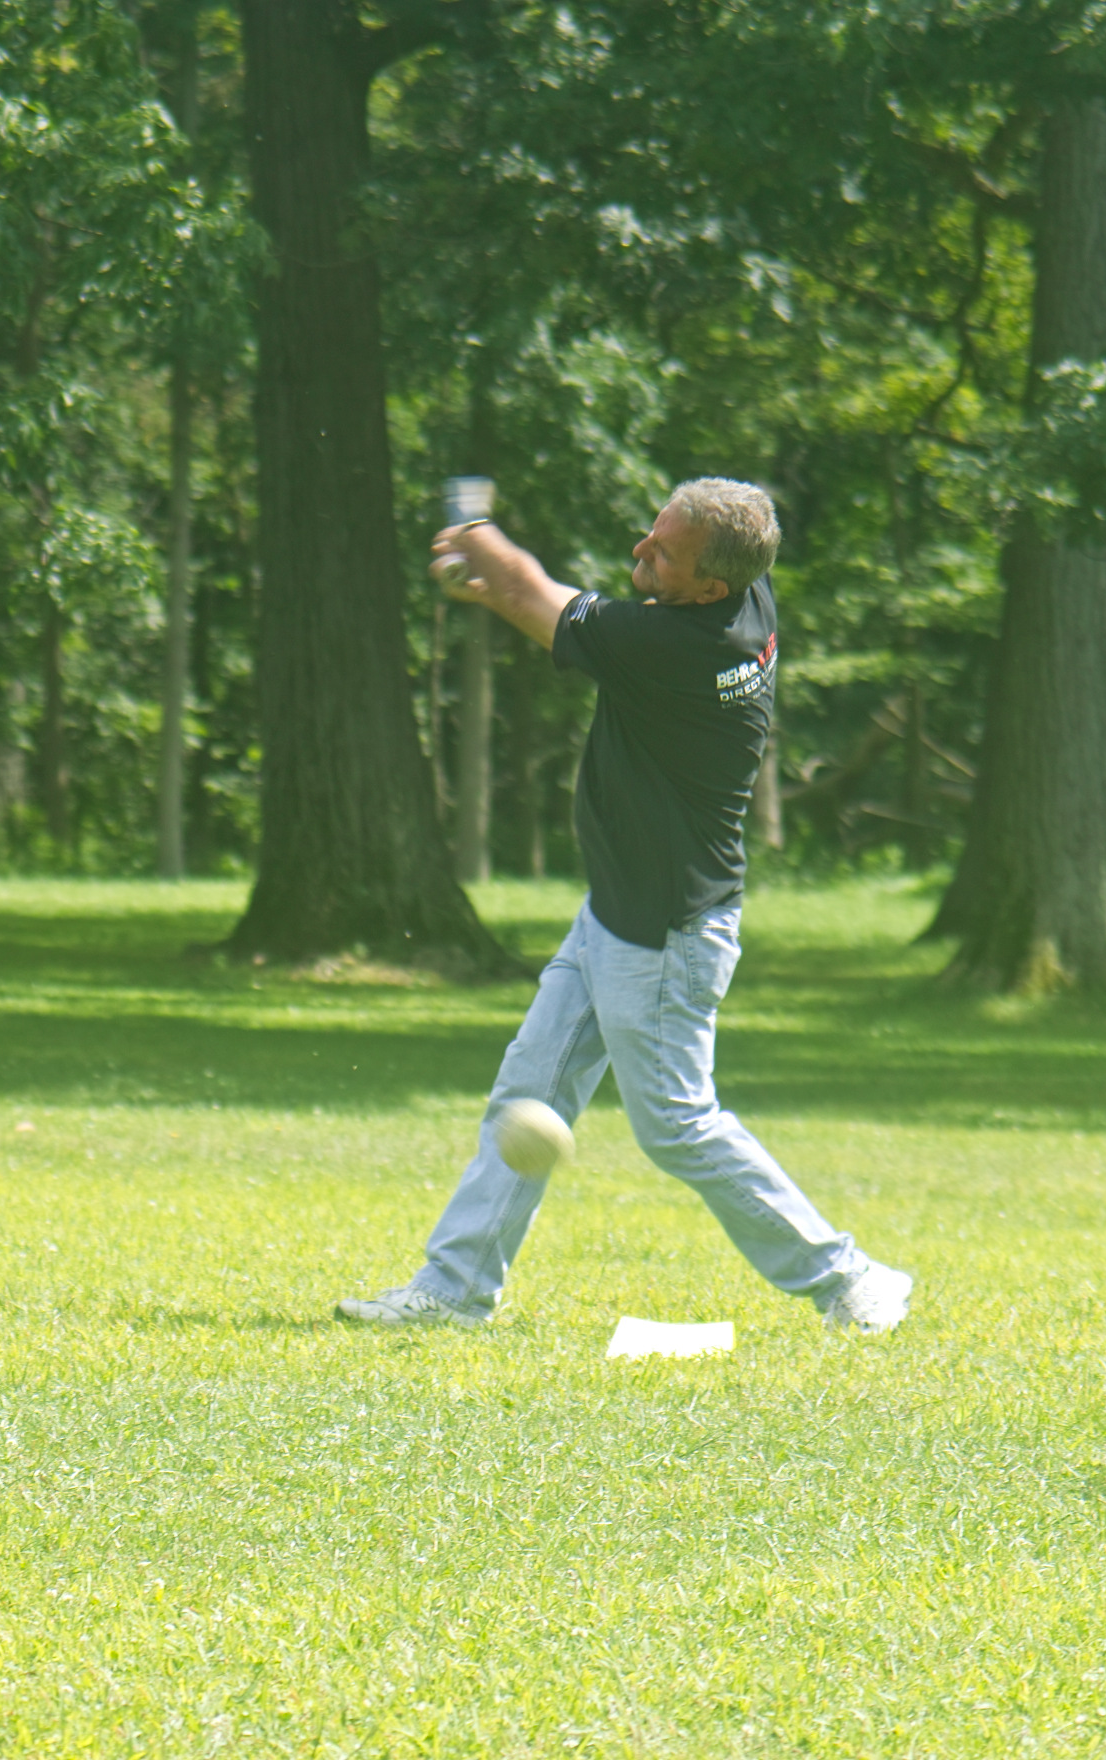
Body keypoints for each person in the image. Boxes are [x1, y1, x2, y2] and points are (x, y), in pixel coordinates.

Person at [337, 478, 913, 1335]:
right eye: (652, 532)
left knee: (678, 1126)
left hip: (667, 934)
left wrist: (471, 524)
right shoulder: (742, 592)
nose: (641, 552)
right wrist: (492, 587)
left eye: (663, 553)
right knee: (527, 1093)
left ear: (709, 588)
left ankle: (851, 1277)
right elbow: (531, 603)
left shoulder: (671, 646)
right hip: (618, 909)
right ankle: (454, 1290)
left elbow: (531, 590)